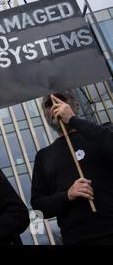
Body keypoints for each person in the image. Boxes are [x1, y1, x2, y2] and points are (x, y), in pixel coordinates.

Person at [31, 91, 113, 245]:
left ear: (75, 104)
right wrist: (67, 195)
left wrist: (74, 120)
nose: (55, 106)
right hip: (76, 238)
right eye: (49, 104)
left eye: (61, 100)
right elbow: (38, 207)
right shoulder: (43, 156)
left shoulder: (102, 132)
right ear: (45, 114)